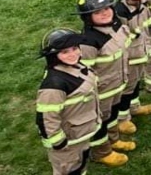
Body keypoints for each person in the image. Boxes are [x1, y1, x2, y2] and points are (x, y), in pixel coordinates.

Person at [76, 0, 133, 165]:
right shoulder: (88, 41)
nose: (104, 13)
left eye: (107, 8)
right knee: (100, 122)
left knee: (113, 115)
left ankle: (114, 140)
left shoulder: (115, 26)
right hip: (101, 92)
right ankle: (102, 152)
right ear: (87, 17)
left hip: (117, 85)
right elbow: (84, 71)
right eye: (97, 12)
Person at [35, 27, 102, 174]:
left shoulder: (78, 66)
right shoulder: (54, 84)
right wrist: (58, 142)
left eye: (74, 48)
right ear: (53, 56)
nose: (72, 54)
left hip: (81, 134)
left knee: (81, 164)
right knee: (70, 169)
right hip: (68, 142)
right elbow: (47, 118)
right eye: (64, 52)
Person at [112, 0, 151, 137]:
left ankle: (135, 107)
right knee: (127, 87)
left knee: (136, 82)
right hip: (129, 57)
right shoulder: (120, 12)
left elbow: (145, 23)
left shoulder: (141, 3)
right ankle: (122, 119)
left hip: (141, 51)